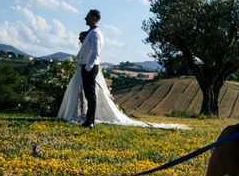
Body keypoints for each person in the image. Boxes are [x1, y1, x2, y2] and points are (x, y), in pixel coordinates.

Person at [57, 30, 188, 129]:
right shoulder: (83, 49)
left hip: (86, 71)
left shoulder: (91, 45)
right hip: (80, 72)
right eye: (80, 38)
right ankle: (79, 113)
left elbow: (92, 56)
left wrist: (88, 68)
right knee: (78, 94)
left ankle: (86, 116)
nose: (81, 40)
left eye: (82, 38)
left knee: (87, 94)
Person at [80, 9, 103, 128]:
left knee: (91, 95)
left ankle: (91, 121)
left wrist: (88, 67)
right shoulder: (92, 32)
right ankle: (88, 120)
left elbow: (96, 51)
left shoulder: (94, 33)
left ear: (94, 18)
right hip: (87, 66)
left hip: (90, 66)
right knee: (89, 94)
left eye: (88, 16)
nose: (85, 18)